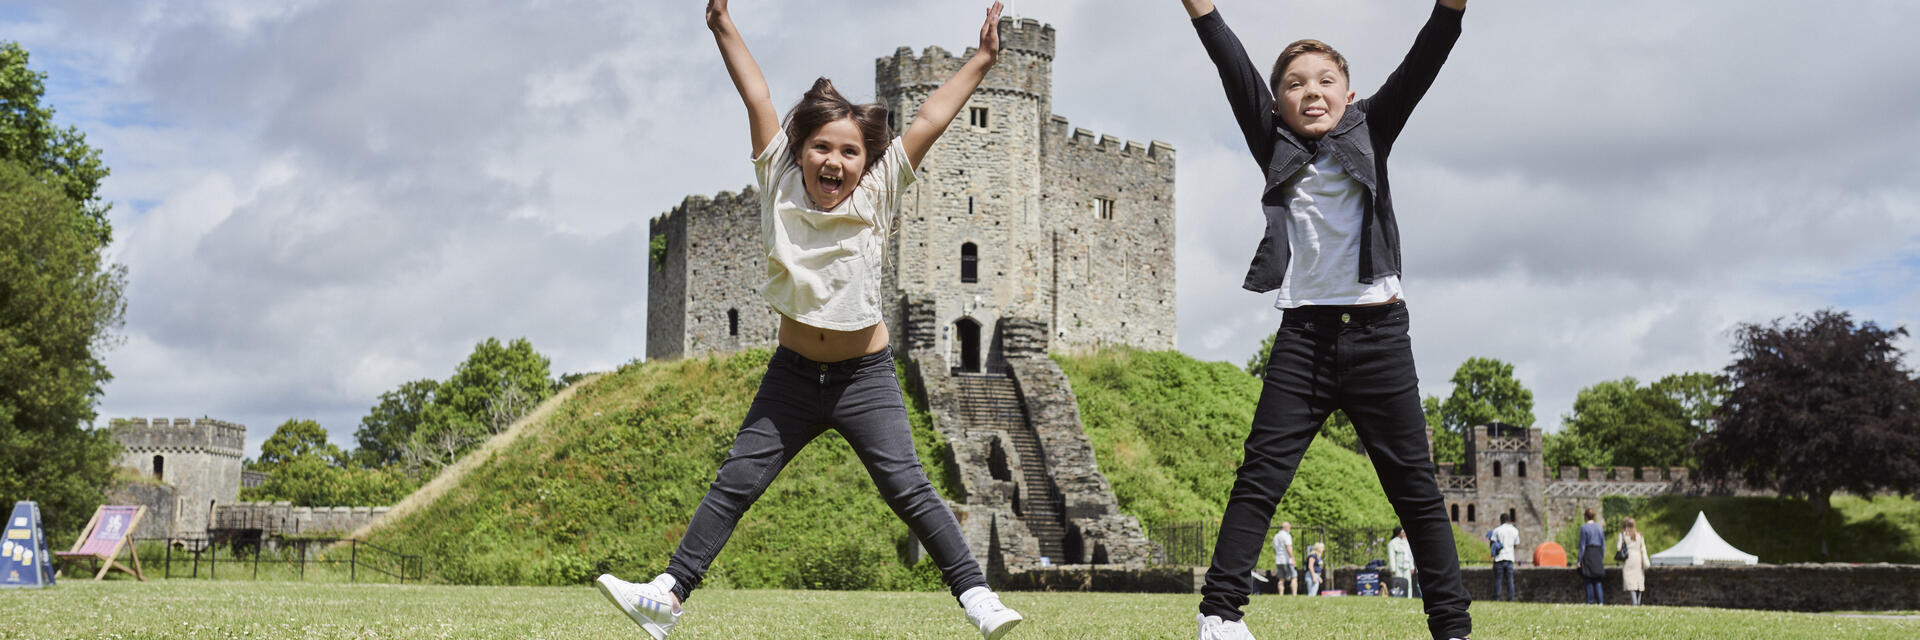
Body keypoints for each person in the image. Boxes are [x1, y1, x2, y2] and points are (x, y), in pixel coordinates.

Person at [593, 3, 1023, 639]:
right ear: (798, 151)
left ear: (865, 160)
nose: (835, 161)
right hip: (792, 377)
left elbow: (931, 116)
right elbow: (757, 91)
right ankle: (668, 594)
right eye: (821, 147)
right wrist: (722, 26)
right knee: (735, 482)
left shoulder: (879, 190)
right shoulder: (776, 179)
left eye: (850, 151)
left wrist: (982, 60)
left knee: (909, 488)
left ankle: (978, 597)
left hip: (864, 378)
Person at [1176, 0, 1475, 638]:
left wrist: (1451, 9)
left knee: (1415, 492)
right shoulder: (1272, 139)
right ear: (1279, 103)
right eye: (1294, 83)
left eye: (1324, 80)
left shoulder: (1374, 127)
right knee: (1260, 477)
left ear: (1350, 93)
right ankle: (1219, 617)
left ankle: (1451, 628)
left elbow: (1427, 58)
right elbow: (1228, 60)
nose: (1310, 91)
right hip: (1304, 338)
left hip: (1379, 335)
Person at [1618, 517, 1650, 606]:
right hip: (1638, 558)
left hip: (1628, 559)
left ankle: (1634, 602)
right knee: (1638, 581)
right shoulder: (1639, 535)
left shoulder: (1623, 535)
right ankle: (1638, 602)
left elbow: (1618, 547)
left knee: (1630, 582)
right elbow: (1643, 548)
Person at [1576, 508, 1606, 605]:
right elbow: (1603, 544)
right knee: (1598, 580)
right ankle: (1600, 602)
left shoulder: (1584, 528)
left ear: (1585, 517)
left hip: (1588, 553)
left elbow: (1582, 545)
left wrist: (1579, 560)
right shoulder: (1600, 528)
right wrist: (1601, 557)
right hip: (1597, 553)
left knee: (1588, 579)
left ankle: (1590, 601)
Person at [1490, 513, 1518, 602]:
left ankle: (1497, 598)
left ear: (1501, 520)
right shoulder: (1515, 530)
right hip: (1510, 557)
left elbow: (1492, 543)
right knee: (1510, 579)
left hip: (1499, 558)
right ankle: (1511, 598)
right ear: (1509, 519)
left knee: (1498, 579)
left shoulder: (1497, 530)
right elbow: (1516, 544)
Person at [1388, 526, 1417, 599]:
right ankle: (1398, 596)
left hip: (1406, 566)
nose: (1404, 534)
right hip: (1398, 567)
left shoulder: (1406, 542)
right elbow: (1392, 557)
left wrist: (1412, 567)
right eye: (1403, 532)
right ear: (1399, 533)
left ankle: (1409, 597)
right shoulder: (1392, 543)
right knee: (1398, 583)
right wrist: (1393, 569)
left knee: (1408, 583)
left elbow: (1409, 555)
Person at [1272, 521, 1298, 595]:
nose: (1290, 528)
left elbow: (1274, 549)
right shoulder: (1287, 535)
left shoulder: (1276, 536)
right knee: (1294, 577)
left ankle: (1281, 594)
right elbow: (1288, 547)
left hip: (1279, 560)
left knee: (1281, 579)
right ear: (1286, 527)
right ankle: (1294, 595)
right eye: (1289, 527)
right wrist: (1292, 558)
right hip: (1287, 560)